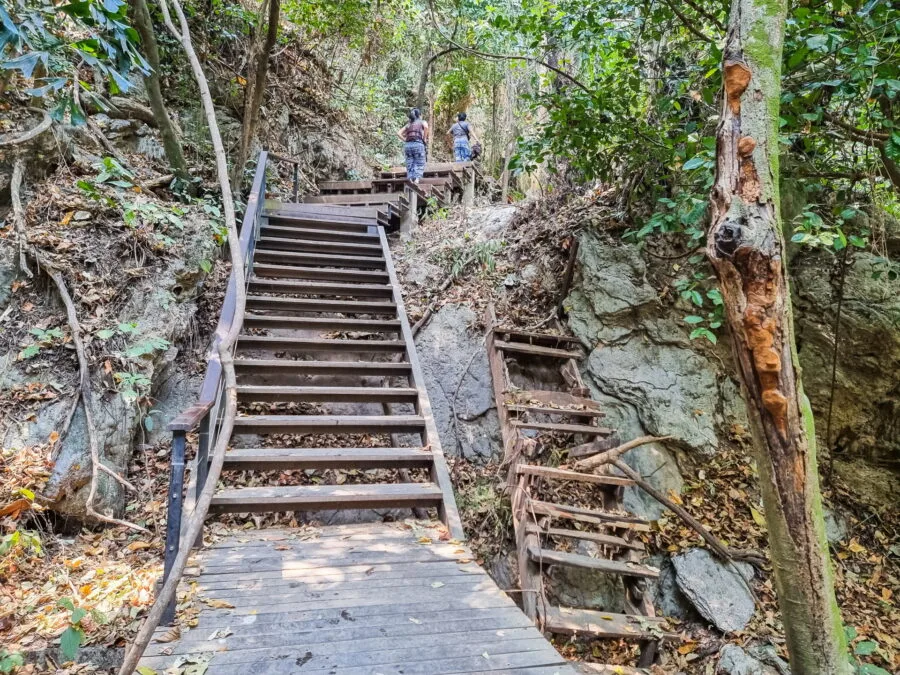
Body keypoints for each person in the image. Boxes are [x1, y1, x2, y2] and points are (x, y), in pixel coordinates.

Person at [397, 108, 429, 183]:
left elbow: (398, 133)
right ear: (420, 115)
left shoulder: (409, 124)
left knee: (409, 162)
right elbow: (426, 127)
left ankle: (411, 179)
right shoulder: (422, 122)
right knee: (419, 162)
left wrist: (405, 140)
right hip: (418, 144)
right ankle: (417, 179)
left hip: (408, 146)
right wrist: (424, 138)